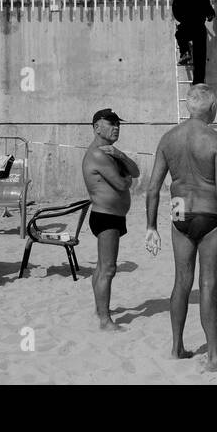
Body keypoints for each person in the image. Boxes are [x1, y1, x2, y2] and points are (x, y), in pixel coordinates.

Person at [145, 84, 217, 370]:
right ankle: (214, 357)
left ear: (188, 107)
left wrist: (151, 227)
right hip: (209, 214)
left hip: (179, 213)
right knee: (208, 286)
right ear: (211, 108)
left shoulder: (168, 139)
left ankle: (176, 347)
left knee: (181, 282)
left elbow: (152, 188)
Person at [81, 108, 139, 330]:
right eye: (111, 123)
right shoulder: (98, 154)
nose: (116, 127)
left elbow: (135, 172)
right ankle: (105, 321)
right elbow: (124, 183)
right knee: (108, 269)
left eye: (118, 124)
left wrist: (121, 155)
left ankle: (100, 310)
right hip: (106, 216)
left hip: (110, 215)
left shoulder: (109, 152)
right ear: (97, 127)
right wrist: (124, 174)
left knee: (101, 267)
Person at [172, 0, 216, 84]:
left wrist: (183, 20)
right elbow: (210, 14)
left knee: (179, 33)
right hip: (199, 29)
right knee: (200, 60)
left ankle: (185, 51)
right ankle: (198, 85)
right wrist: (210, 16)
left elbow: (176, 14)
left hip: (185, 27)